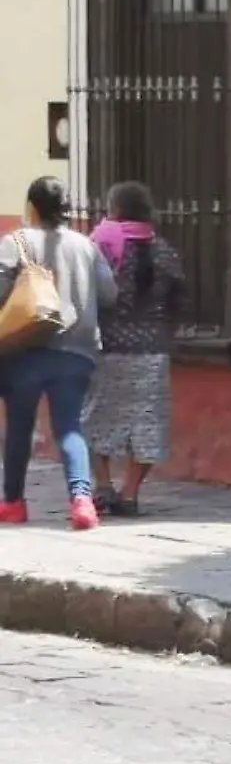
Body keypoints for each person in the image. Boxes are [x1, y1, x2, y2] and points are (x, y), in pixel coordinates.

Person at [0, 176, 117, 530]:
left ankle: (13, 503)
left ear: (32, 207)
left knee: (19, 428)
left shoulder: (15, 242)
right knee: (69, 427)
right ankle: (82, 501)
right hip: (77, 351)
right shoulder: (86, 246)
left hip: (25, 350)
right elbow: (109, 294)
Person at [87, 181, 189, 517]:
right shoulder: (165, 251)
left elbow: (90, 294)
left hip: (108, 348)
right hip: (152, 352)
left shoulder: (101, 247)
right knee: (146, 426)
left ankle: (102, 487)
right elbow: (180, 300)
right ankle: (130, 494)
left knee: (95, 420)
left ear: (114, 210)